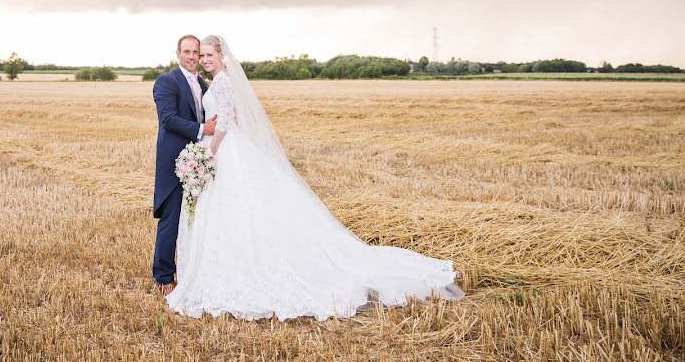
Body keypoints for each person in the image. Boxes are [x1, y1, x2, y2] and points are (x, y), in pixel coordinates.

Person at [166, 35, 465, 320]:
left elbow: (226, 123)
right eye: (200, 54)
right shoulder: (215, 81)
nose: (203, 59)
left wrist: (210, 153)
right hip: (222, 149)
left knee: (239, 211)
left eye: (208, 54)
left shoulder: (222, 82)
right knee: (228, 213)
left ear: (221, 56)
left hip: (223, 150)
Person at [151, 35, 217, 296]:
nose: (192, 57)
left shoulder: (202, 83)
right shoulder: (166, 82)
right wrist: (203, 128)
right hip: (174, 161)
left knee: (198, 219)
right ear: (178, 54)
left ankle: (193, 271)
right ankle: (164, 277)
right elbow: (167, 119)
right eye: (187, 51)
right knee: (172, 218)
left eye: (196, 52)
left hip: (199, 161)